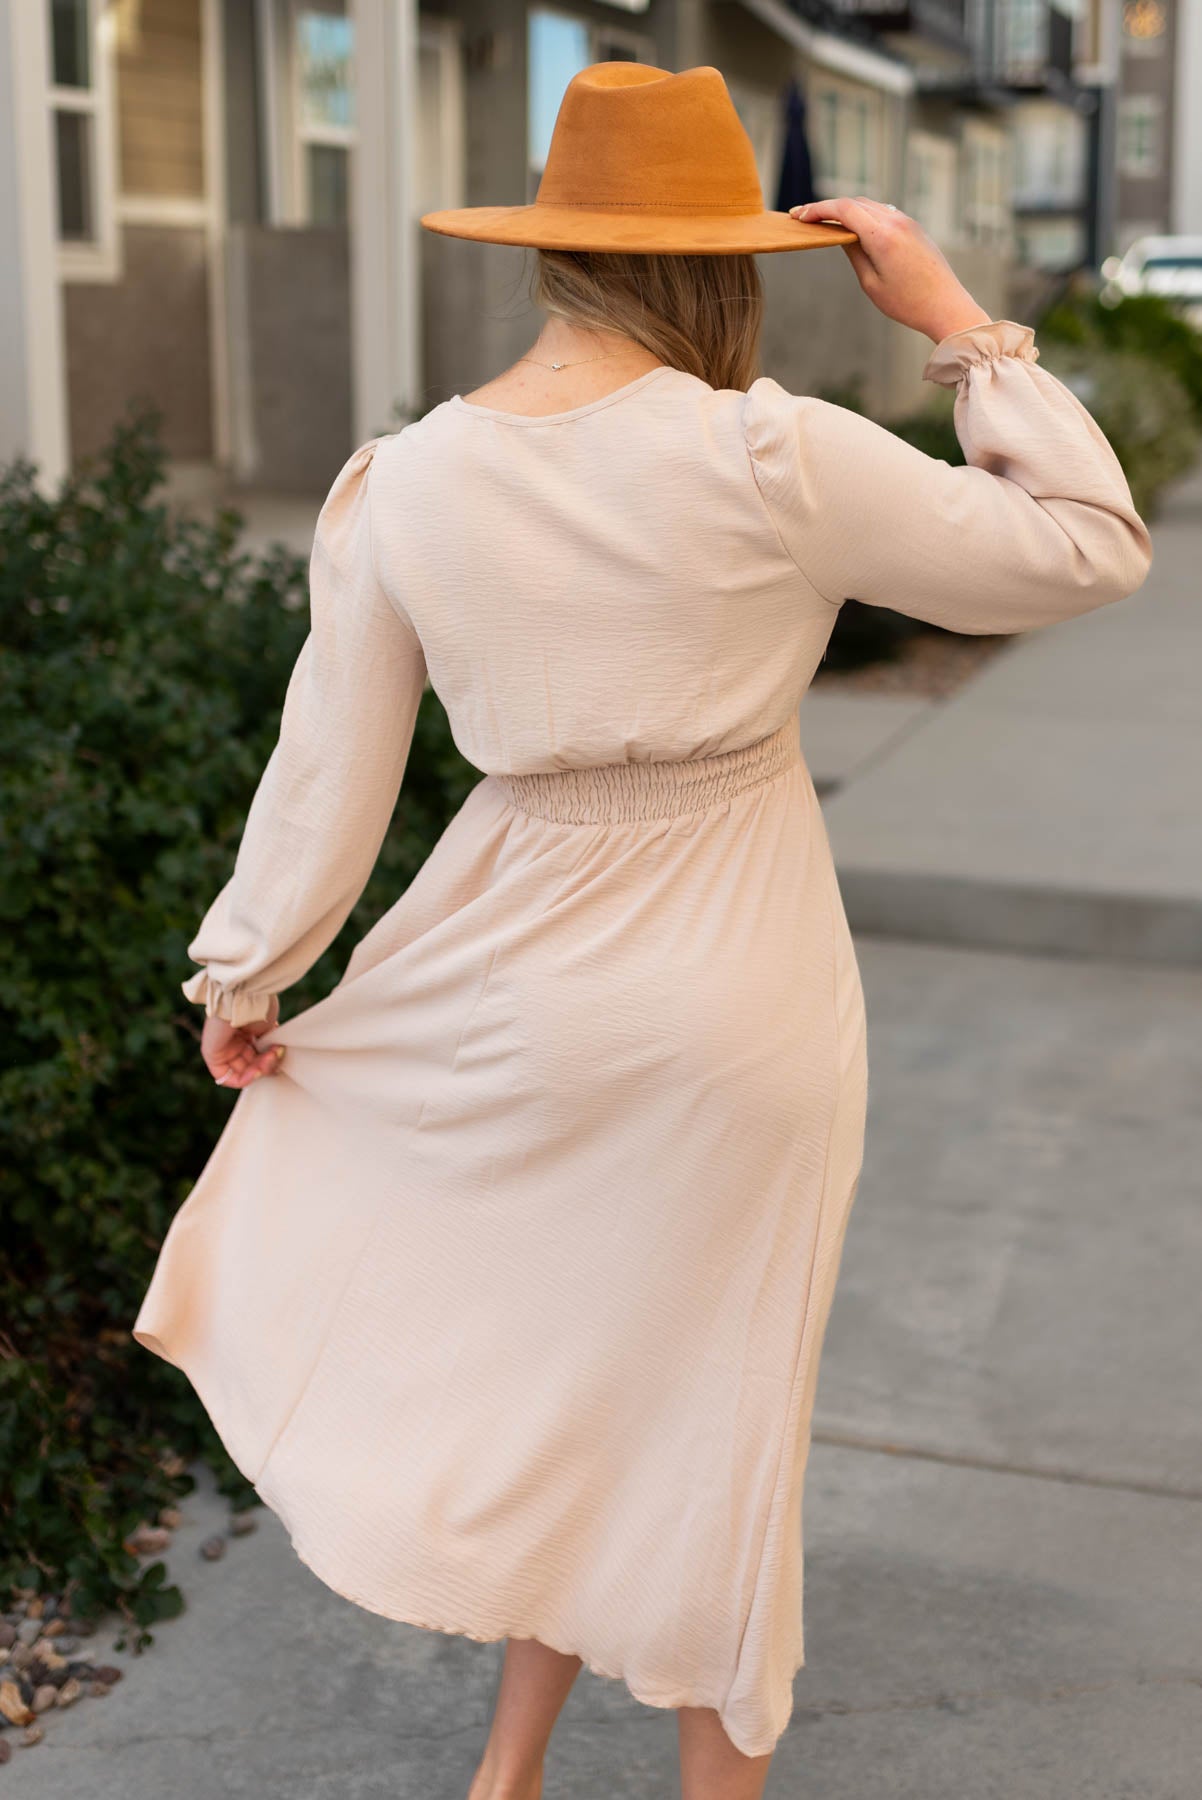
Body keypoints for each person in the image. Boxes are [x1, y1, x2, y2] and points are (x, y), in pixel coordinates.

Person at [132, 62, 1152, 1800]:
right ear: (725, 263)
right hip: (729, 969)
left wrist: (254, 968)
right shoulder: (771, 453)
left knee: (568, 1377)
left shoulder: (408, 478)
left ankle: (507, 1777)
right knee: (711, 1406)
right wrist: (966, 329)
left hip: (510, 959)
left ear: (555, 252)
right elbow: (1085, 551)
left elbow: (332, 765)